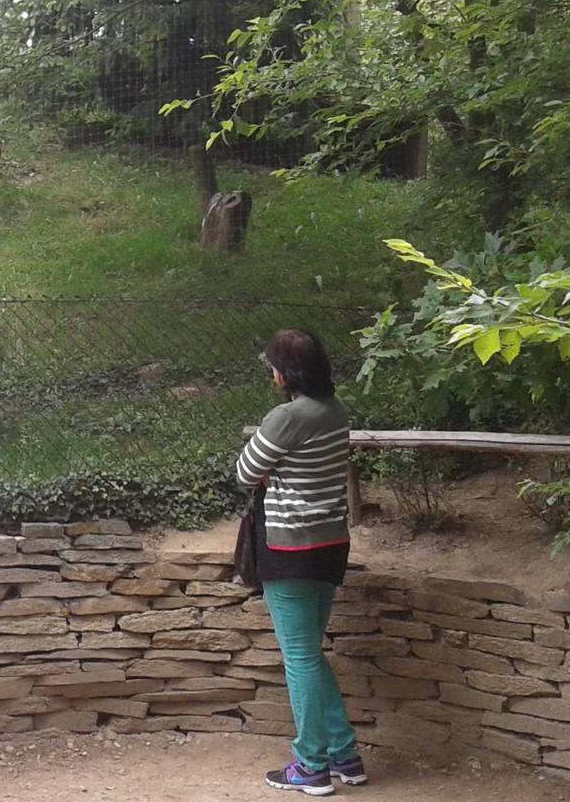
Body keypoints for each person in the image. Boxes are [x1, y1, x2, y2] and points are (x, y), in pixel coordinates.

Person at [236, 327, 365, 796]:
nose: (270, 371)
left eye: (273, 364)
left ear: (286, 373)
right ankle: (344, 755)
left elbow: (245, 472)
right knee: (310, 654)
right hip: (331, 546)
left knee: (300, 658)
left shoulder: (286, 417)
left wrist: (274, 474)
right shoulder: (336, 410)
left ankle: (311, 765)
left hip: (289, 548)